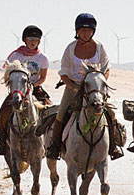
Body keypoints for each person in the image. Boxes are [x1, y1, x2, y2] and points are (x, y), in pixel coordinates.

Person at [46, 13, 122, 160]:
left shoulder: (100, 47)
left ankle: (113, 146)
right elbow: (64, 73)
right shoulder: (70, 48)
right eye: (82, 30)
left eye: (88, 30)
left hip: (95, 88)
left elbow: (106, 69)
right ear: (77, 31)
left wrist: (99, 83)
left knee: (111, 113)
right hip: (73, 87)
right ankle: (54, 147)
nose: (85, 33)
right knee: (61, 113)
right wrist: (75, 88)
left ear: (93, 31)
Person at [0, 25, 51, 156]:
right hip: (18, 90)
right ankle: (2, 143)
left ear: (39, 41)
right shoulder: (15, 55)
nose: (32, 42)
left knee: (51, 112)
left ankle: (50, 144)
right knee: (3, 113)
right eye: (30, 39)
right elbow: (8, 74)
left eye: (35, 39)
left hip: (35, 89)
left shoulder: (43, 58)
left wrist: (33, 85)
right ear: (25, 40)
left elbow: (43, 78)